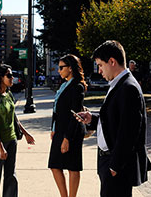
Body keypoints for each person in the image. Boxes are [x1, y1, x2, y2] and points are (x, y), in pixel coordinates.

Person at [75, 40, 151, 197]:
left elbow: (129, 132)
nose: (99, 70)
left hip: (117, 166)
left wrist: (115, 166)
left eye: (100, 65)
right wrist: (92, 118)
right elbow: (115, 119)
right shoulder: (118, 84)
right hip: (108, 161)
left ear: (112, 61)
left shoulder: (128, 87)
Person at [0, 64, 35, 197]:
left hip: (11, 140)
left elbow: (14, 118)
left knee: (11, 175)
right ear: (1, 78)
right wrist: (0, 147)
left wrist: (26, 133)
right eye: (9, 75)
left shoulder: (9, 95)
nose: (12, 78)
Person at [48, 54, 87, 197]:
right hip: (59, 130)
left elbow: (74, 114)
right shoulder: (64, 85)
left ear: (70, 68)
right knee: (54, 165)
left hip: (72, 131)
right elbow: (56, 108)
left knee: (73, 166)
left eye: (61, 67)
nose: (59, 70)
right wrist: (53, 128)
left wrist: (67, 138)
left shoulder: (77, 86)